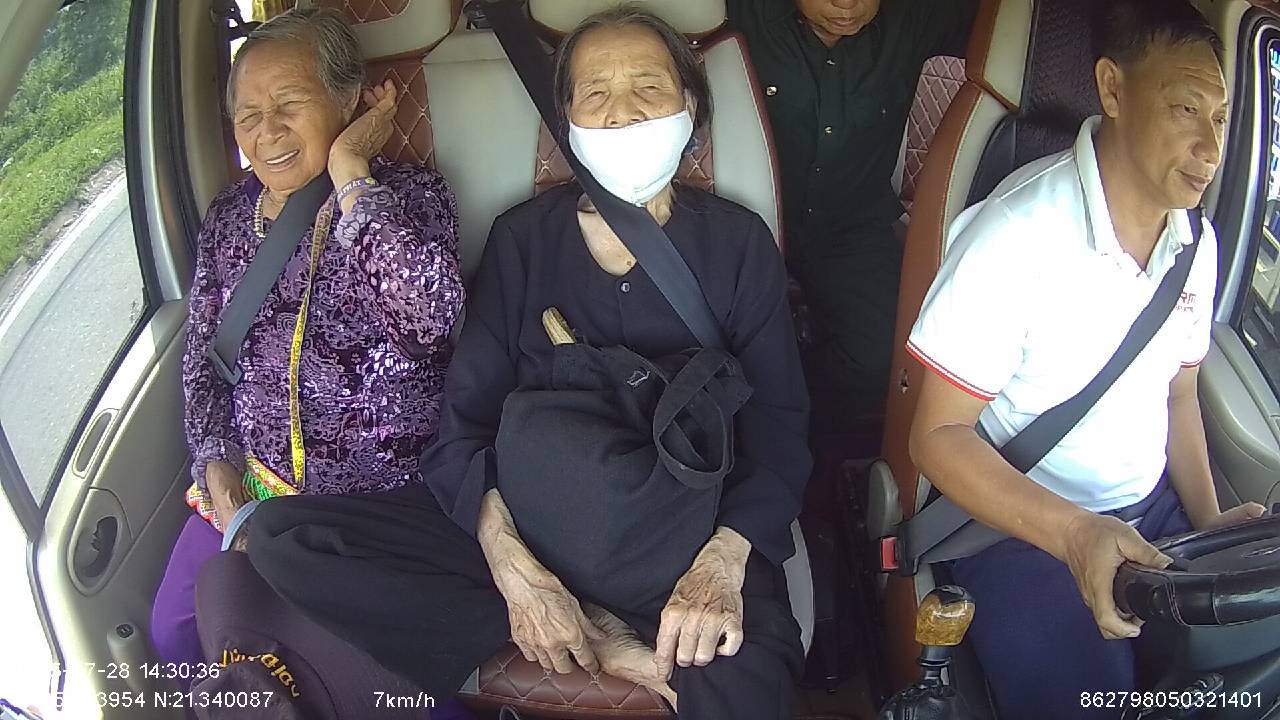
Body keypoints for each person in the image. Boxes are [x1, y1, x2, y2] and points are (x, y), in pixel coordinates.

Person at [247, 8, 813, 719]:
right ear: (567, 120)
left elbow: (779, 427)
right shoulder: (523, 239)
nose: (622, 113)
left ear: (691, 107)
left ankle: (598, 623)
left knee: (749, 675)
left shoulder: (738, 242)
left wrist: (722, 562)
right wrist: (513, 566)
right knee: (285, 536)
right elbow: (465, 420)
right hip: (529, 524)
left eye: (649, 87)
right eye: (595, 94)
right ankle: (591, 633)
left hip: (678, 538)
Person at [905, 1, 1267, 717]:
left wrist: (1209, 521)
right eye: (1185, 108)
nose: (1210, 146)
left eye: (1222, 118)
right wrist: (1074, 533)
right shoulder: (1015, 233)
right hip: (1022, 529)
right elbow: (937, 437)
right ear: (1112, 89)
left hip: (1152, 513)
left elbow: (1179, 394)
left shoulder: (1196, 244)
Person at [150, 8, 469, 717]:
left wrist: (351, 173)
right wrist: (214, 460)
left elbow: (431, 324)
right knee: (175, 631)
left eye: (288, 104)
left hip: (376, 501)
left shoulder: (407, 198)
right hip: (256, 488)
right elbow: (203, 359)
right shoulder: (227, 219)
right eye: (247, 115)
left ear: (348, 98)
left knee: (384, 682)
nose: (266, 131)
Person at [726, 0, 980, 427]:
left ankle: (808, 422)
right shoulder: (746, 12)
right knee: (719, 343)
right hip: (749, 221)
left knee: (882, 355)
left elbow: (1016, 26)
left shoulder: (911, 20)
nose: (846, 3)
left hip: (853, 223)